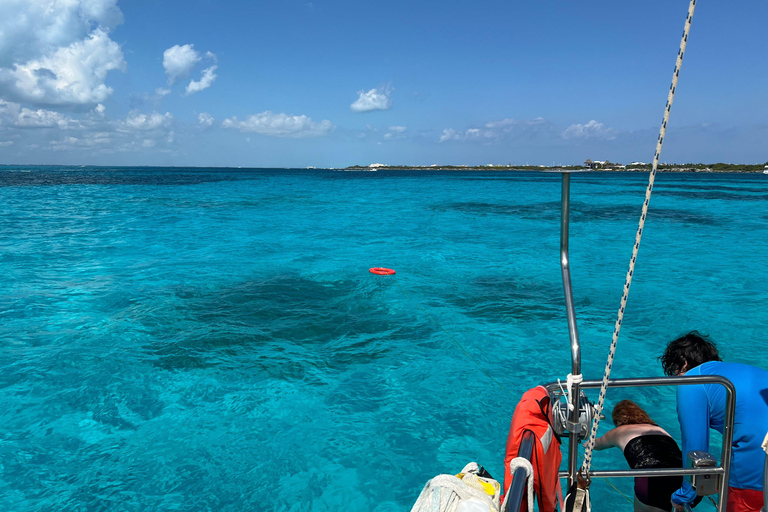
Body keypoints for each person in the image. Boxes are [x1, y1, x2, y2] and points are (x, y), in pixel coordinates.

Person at [660, 330, 768, 512]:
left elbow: (696, 448)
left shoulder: (694, 380)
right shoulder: (745, 370)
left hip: (756, 463)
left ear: (683, 363)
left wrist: (684, 496)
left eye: (674, 372)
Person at [594, 399, 683, 512]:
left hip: (650, 480)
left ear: (618, 421)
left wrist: (585, 442)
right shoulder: (659, 429)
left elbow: (597, 444)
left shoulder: (619, 431)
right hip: (681, 476)